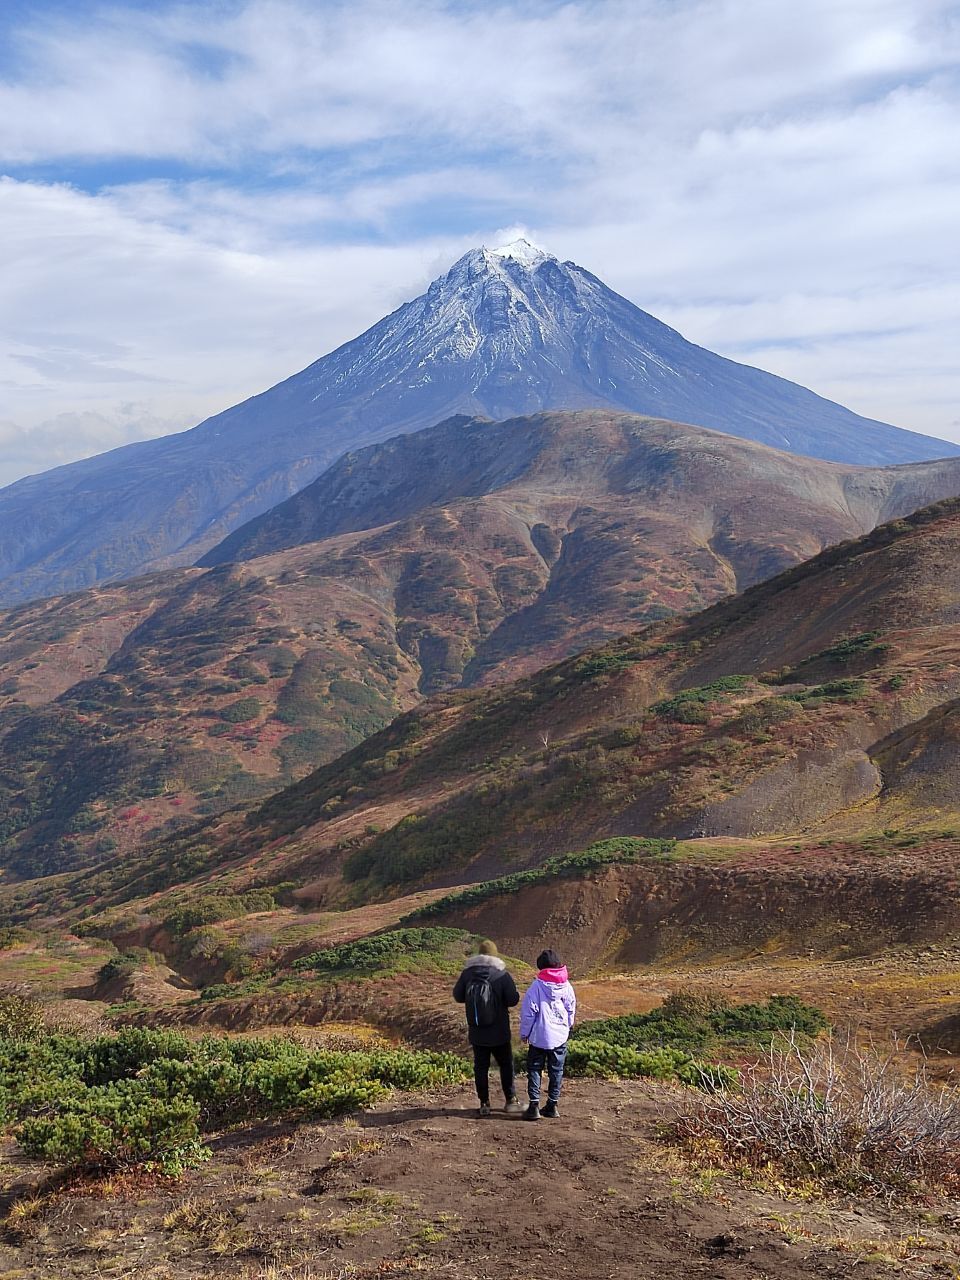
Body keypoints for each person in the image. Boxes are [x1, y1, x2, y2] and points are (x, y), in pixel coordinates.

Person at [453, 939, 521, 1117]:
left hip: (478, 1031)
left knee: (480, 1067)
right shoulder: (501, 974)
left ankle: (484, 1103)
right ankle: (511, 1100)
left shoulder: (467, 974)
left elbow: (458, 996)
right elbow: (513, 999)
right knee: (505, 1064)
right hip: (499, 1031)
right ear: (494, 954)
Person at [519, 947, 576, 1120]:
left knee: (535, 1069)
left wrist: (524, 1034)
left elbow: (528, 1014)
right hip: (559, 1037)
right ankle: (552, 1105)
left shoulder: (536, 987)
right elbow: (571, 1007)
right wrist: (569, 1025)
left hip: (539, 1037)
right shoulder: (566, 986)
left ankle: (534, 1106)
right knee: (556, 1071)